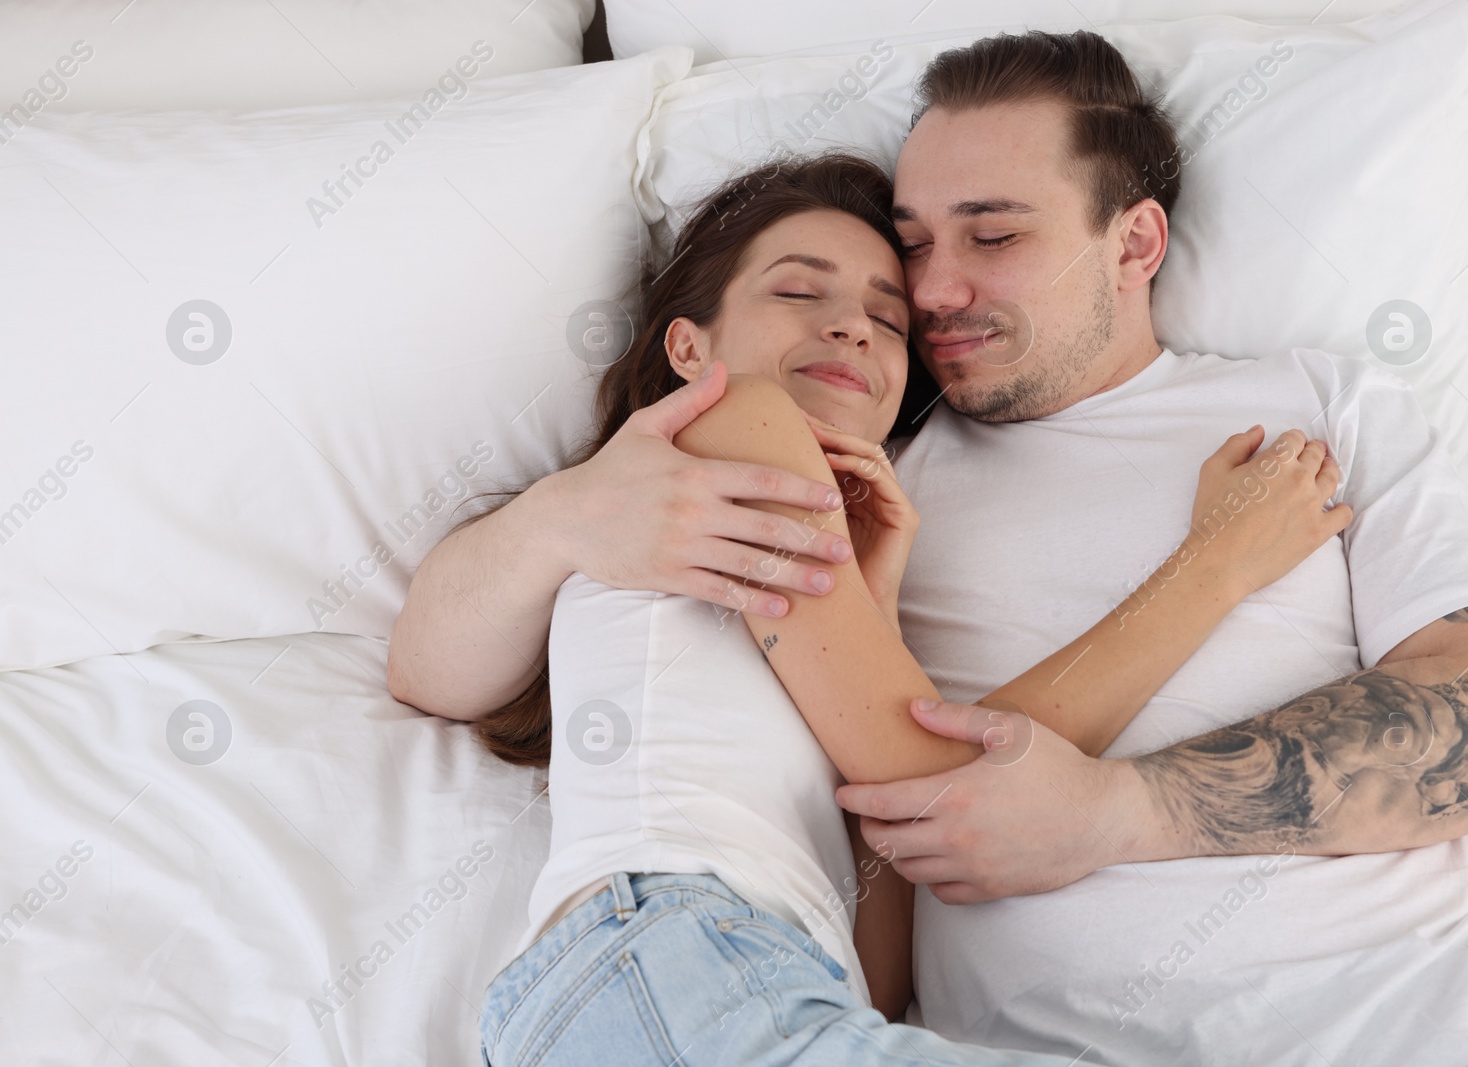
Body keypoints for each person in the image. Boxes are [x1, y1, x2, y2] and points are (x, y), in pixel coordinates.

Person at [391, 30, 1468, 1067]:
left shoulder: (1314, 418)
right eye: (913, 243)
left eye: (994, 235)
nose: (928, 292)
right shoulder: (847, 471)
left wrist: (1123, 812)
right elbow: (907, 788)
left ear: (1134, 243)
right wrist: (1210, 571)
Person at [398, 151, 1346, 1066]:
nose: (853, 326)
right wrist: (1214, 566)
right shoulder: (734, 422)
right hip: (670, 959)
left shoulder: (820, 590)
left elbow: (881, 971)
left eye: (888, 319)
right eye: (799, 292)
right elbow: (942, 776)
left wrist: (877, 608)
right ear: (690, 346)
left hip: (744, 989)